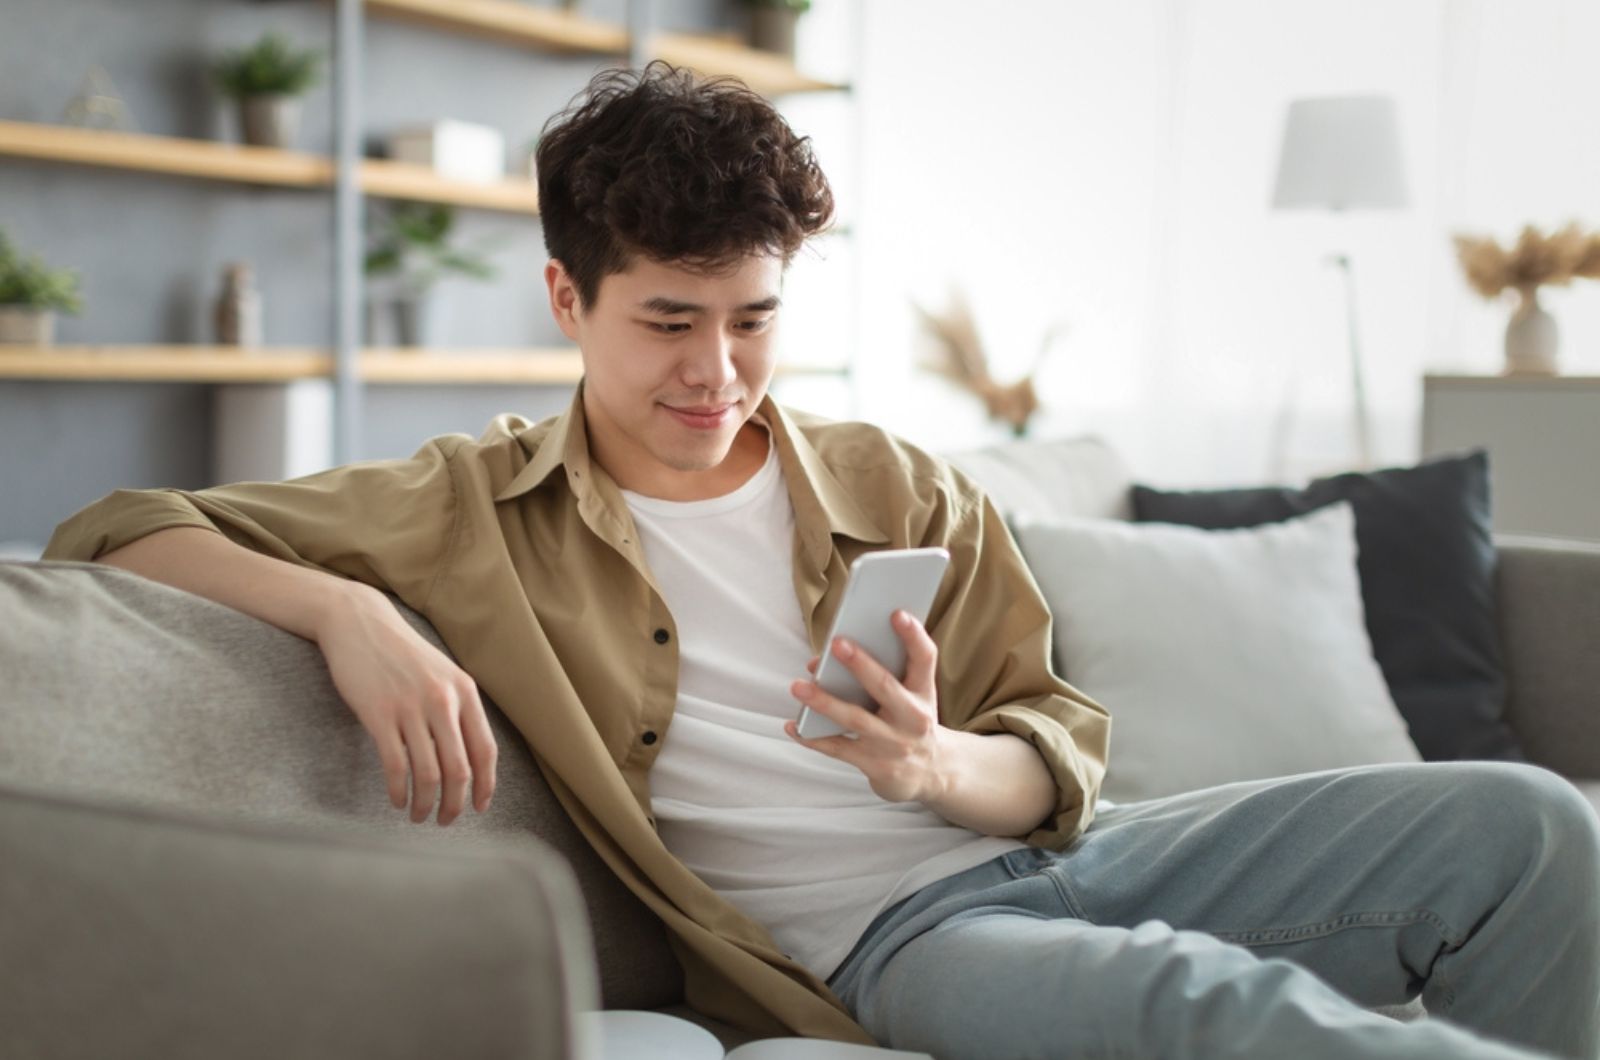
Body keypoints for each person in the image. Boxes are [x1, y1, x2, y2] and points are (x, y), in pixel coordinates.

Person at [44, 61, 1600, 1060]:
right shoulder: (464, 505)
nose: (717, 370)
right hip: (901, 949)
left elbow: (1050, 751)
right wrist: (343, 611)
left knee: (1526, 828)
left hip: (1064, 856)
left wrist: (932, 769)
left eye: (756, 319)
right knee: (1224, 1017)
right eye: (668, 319)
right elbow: (112, 533)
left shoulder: (897, 482)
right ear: (566, 298)